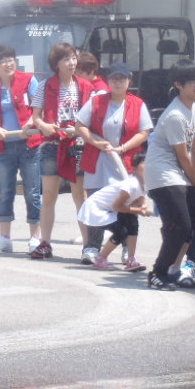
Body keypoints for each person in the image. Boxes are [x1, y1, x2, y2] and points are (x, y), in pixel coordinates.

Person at [143, 59, 195, 292]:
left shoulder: (194, 109)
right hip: (163, 176)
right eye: (192, 82)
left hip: (181, 174)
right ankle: (158, 273)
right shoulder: (175, 115)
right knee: (180, 226)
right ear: (178, 85)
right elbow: (182, 156)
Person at [73, 62, 153, 271]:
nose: (118, 82)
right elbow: (80, 125)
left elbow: (144, 131)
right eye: (114, 79)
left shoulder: (137, 104)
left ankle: (127, 250)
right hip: (98, 159)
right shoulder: (96, 101)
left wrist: (124, 147)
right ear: (107, 81)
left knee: (127, 205)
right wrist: (96, 142)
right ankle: (92, 248)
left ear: (129, 81)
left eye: (122, 78)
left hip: (124, 161)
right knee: (97, 205)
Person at [0, 43, 46, 258]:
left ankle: (35, 238)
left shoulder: (29, 81)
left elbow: (39, 112)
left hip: (28, 145)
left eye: (10, 60)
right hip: (4, 146)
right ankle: (5, 238)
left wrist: (31, 124)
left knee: (33, 192)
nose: (8, 64)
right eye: (2, 61)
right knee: (6, 192)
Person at [37, 42, 94, 257]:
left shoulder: (85, 86)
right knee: (49, 194)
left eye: (74, 58)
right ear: (56, 63)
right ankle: (44, 242)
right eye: (66, 59)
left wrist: (78, 130)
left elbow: (92, 117)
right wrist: (43, 125)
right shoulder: (45, 86)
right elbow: (36, 116)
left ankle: (88, 245)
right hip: (52, 144)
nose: (72, 63)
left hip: (78, 145)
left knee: (80, 195)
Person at [77, 154, 154, 271]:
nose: (148, 167)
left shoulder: (144, 184)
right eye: (144, 164)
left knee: (132, 222)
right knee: (121, 231)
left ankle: (131, 260)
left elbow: (141, 200)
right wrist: (139, 210)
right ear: (134, 170)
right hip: (95, 209)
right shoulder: (132, 185)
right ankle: (101, 260)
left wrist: (143, 206)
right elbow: (117, 206)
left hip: (108, 209)